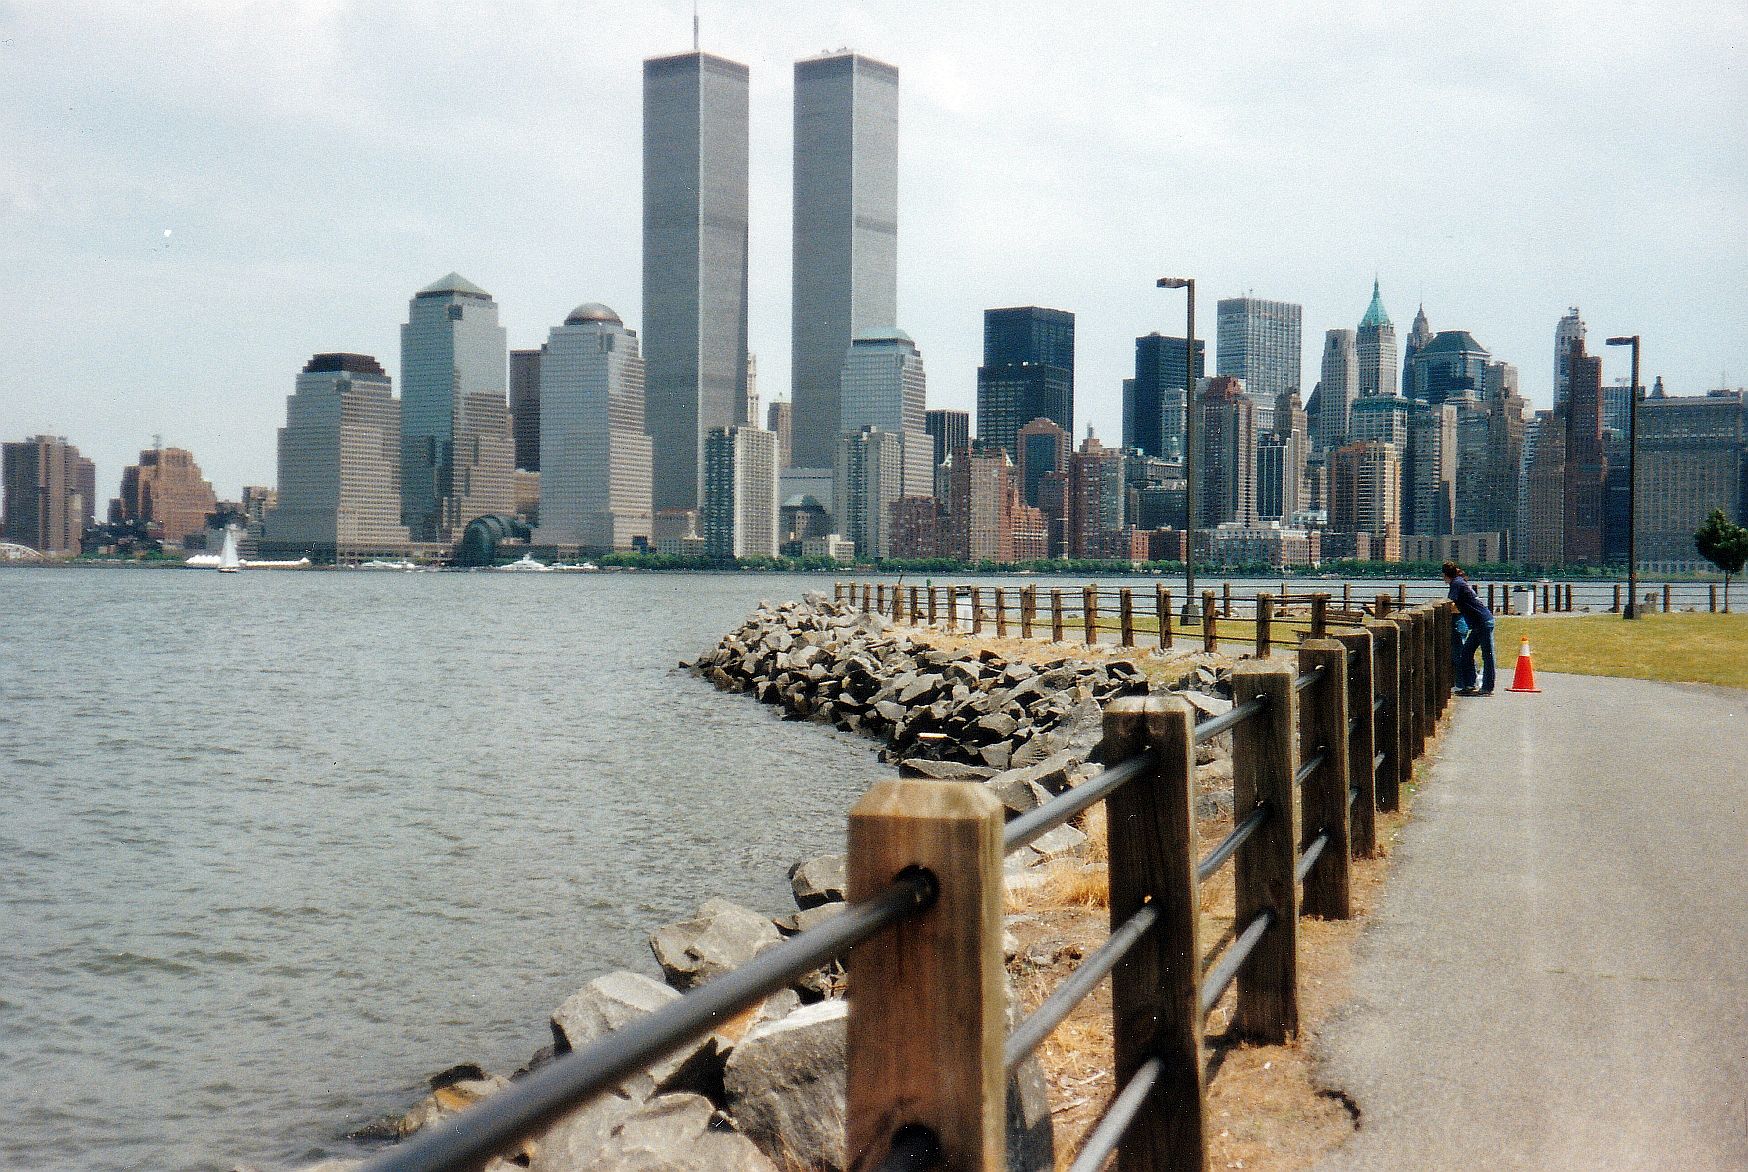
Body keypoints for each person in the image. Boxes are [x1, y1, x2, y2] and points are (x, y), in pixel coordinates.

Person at [1442, 560, 1495, 695]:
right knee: (1466, 653)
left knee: (1487, 655)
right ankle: (1469, 685)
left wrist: (1442, 612)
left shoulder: (1456, 583)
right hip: (1478, 623)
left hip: (1483, 621)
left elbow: (1451, 604)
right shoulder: (1460, 582)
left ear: (1446, 575)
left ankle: (1487, 688)